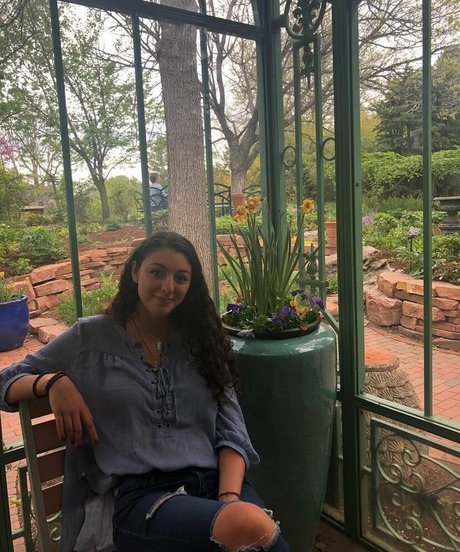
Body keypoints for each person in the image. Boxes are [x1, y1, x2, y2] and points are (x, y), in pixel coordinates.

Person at [0, 231, 291, 552]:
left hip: (219, 484)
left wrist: (229, 499)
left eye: (181, 278)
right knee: (252, 528)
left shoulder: (203, 342)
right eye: (157, 272)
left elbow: (232, 432)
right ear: (135, 271)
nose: (168, 286)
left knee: (251, 532)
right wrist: (53, 382)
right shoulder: (90, 338)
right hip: (144, 499)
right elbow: (5, 381)